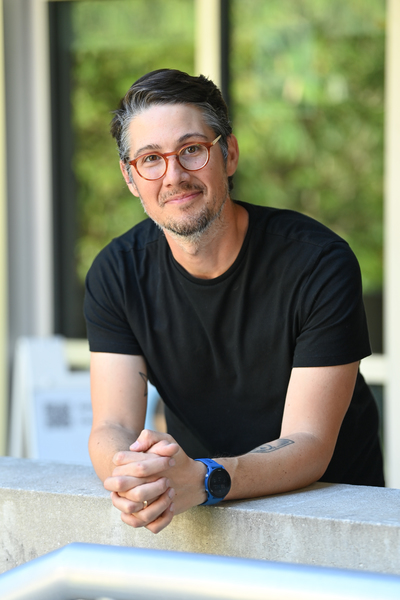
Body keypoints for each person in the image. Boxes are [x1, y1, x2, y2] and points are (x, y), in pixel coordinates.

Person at [84, 68, 384, 534]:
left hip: (331, 525)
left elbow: (307, 442)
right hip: (201, 523)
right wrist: (132, 479)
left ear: (229, 154)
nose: (174, 175)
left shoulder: (318, 263)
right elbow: (112, 426)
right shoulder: (116, 273)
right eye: (150, 159)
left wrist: (203, 479)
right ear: (129, 176)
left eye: (192, 150)